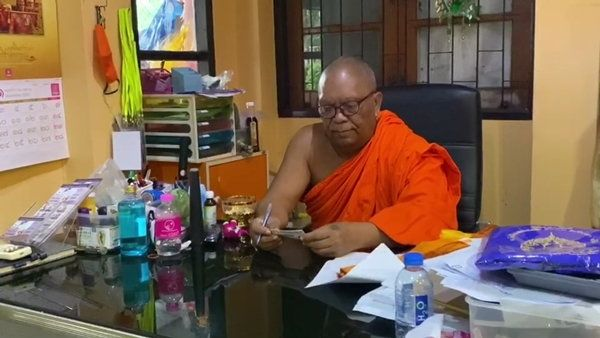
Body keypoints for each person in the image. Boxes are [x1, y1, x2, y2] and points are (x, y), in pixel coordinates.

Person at [250, 56, 461, 257]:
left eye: (350, 107)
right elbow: (278, 199)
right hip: (326, 268)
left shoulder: (403, 147)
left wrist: (361, 235)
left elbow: (429, 212)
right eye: (327, 109)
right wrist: (269, 222)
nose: (338, 118)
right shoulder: (309, 143)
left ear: (376, 104)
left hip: (395, 268)